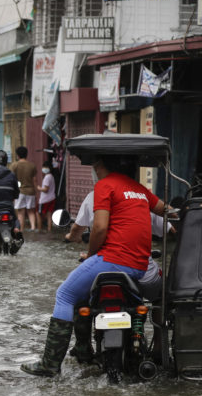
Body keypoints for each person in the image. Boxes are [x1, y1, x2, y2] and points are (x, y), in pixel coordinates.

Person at [21, 155, 168, 377]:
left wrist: (91, 255)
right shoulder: (139, 189)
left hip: (113, 260)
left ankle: (50, 365)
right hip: (139, 266)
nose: (95, 169)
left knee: (65, 294)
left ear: (101, 167)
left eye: (95, 165)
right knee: (157, 298)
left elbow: (99, 228)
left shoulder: (105, 185)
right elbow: (166, 210)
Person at [10, 146, 37, 231]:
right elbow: (34, 180)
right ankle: (33, 228)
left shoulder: (14, 165)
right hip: (30, 191)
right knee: (31, 211)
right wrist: (36, 191)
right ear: (26, 155)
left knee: (21, 212)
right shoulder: (32, 165)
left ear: (17, 155)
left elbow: (11, 179)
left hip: (19, 192)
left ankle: (20, 229)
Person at [36, 161, 56, 232]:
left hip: (45, 200)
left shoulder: (47, 177)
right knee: (49, 215)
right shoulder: (51, 176)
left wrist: (38, 188)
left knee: (38, 213)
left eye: (45, 167)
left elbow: (45, 189)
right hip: (52, 198)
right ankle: (49, 229)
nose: (43, 168)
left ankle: (39, 229)